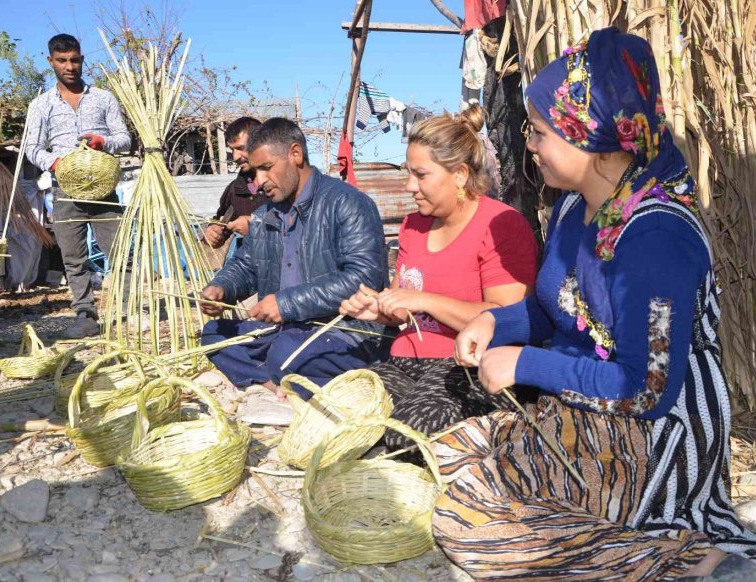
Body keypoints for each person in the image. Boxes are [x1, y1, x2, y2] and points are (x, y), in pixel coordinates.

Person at [435, 28, 756, 580]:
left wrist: (525, 363)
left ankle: (693, 561)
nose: (529, 146)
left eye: (538, 133)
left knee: (473, 523)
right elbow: (556, 308)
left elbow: (646, 389)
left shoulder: (655, 236)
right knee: (451, 457)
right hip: (579, 403)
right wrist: (496, 322)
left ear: (590, 134)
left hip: (654, 433)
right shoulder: (569, 209)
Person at [340, 104, 538, 450]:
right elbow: (403, 304)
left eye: (420, 174)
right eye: (407, 173)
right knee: (342, 414)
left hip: (465, 366)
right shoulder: (413, 225)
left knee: (406, 435)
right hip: (406, 358)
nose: (408, 185)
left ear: (459, 175)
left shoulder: (501, 225)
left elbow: (508, 318)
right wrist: (379, 307)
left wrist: (426, 300)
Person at [199, 118, 389, 398]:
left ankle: (285, 378)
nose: (259, 181)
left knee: (286, 353)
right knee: (213, 335)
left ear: (295, 154)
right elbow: (247, 265)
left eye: (266, 168)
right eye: (255, 170)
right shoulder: (267, 215)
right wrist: (221, 288)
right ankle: (276, 384)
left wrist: (286, 304)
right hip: (284, 331)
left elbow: (364, 278)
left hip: (343, 330)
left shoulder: (347, 203)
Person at [24, 33, 131, 339]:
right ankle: (85, 315)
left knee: (121, 251)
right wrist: (58, 163)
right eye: (62, 61)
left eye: (74, 59)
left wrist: (103, 141)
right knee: (73, 258)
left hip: (103, 189)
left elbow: (125, 138)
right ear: (50, 62)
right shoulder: (40, 105)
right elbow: (32, 148)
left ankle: (129, 309)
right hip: (64, 191)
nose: (69, 66)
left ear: (82, 59)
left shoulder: (104, 98)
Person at [202, 116, 267, 266]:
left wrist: (257, 226)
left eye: (240, 148)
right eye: (232, 150)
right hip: (249, 273)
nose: (235, 156)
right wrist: (212, 234)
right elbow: (220, 224)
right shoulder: (235, 189)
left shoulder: (285, 184)